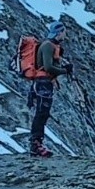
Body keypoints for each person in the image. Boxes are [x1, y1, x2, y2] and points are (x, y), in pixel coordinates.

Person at [26, 20, 72, 157]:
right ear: (59, 32)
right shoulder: (48, 46)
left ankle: (37, 143)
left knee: (43, 113)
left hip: (44, 83)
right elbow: (48, 67)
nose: (65, 34)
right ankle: (36, 144)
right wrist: (64, 70)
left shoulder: (51, 45)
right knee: (42, 113)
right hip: (43, 83)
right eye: (64, 32)